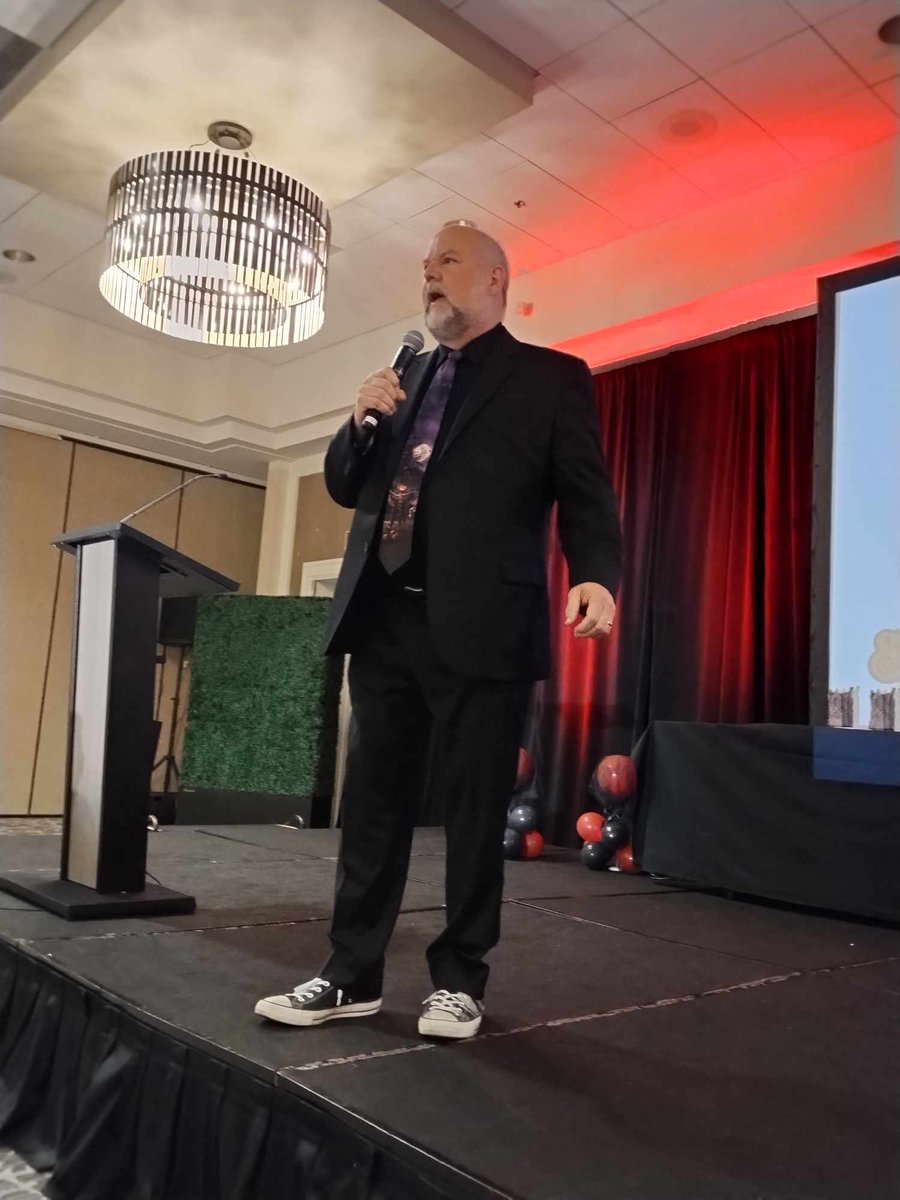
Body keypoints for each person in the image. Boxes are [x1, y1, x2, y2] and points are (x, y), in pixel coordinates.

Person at [255, 221, 622, 1039]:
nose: (430, 277)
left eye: (447, 263)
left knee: (471, 807)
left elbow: (586, 492)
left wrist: (597, 572)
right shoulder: (404, 376)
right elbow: (348, 488)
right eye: (424, 267)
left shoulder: (550, 379)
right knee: (374, 807)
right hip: (384, 618)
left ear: (496, 279)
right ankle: (350, 974)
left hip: (484, 624)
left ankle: (459, 979)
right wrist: (359, 420)